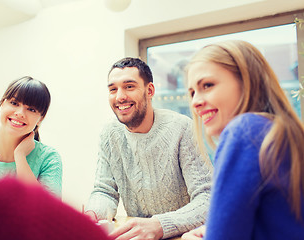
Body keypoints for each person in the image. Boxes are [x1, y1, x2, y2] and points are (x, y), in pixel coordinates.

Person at [0, 1, 110, 239]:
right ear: (2, 104)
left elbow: (46, 219)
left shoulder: (48, 158)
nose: (20, 113)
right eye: (14, 103)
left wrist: (20, 157)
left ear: (41, 118)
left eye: (31, 109)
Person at [182, 40, 304, 240]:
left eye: (208, 85)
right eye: (192, 92)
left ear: (247, 81)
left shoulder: (245, 132)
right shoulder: (281, 133)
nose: (195, 102)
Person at [85, 57, 212, 239]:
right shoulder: (109, 133)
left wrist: (159, 225)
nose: (119, 96)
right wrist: (93, 215)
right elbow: (104, 191)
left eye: (129, 86)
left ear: (150, 90)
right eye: (113, 89)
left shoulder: (181, 127)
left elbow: (207, 199)